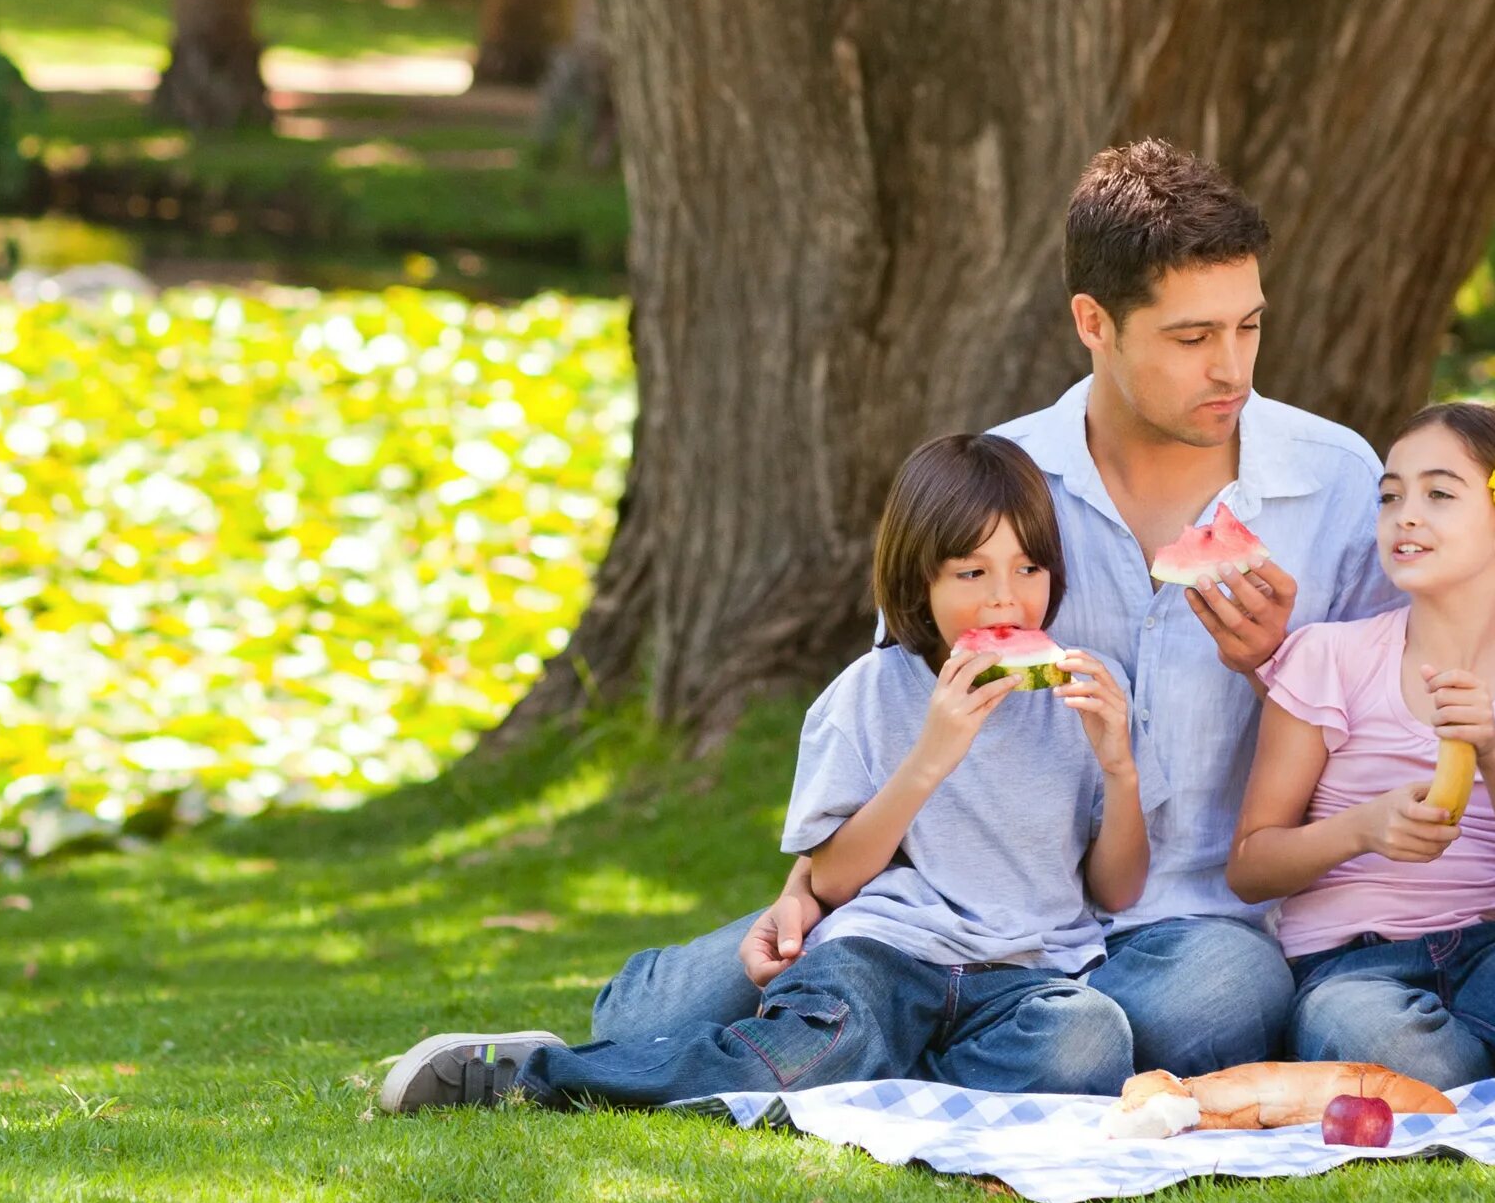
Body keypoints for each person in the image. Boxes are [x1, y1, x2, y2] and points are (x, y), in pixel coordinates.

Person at [575, 140, 1399, 1076]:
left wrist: (1278, 662)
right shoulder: (1001, 479)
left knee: (1213, 1007)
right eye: (1191, 337)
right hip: (968, 905)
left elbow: (1382, 742)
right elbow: (907, 696)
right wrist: (809, 885)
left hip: (1195, 921)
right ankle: (859, 1012)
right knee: (660, 1004)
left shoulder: (1335, 479)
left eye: (1248, 326)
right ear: (1095, 321)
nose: (1232, 369)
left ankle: (896, 1031)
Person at [377, 434, 1143, 1112]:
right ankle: (537, 1073)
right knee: (817, 1045)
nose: (1006, 595)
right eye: (971, 571)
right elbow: (834, 883)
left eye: (1029, 565)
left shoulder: (1083, 692)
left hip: (1023, 980)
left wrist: (1119, 767)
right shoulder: (869, 694)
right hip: (886, 957)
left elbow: (1115, 891)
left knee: (1091, 1042)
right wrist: (932, 755)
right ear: (920, 585)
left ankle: (869, 1074)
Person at [1227, 404, 1495, 1091]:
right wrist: (1362, 827)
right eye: (1391, 495)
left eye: (1439, 494)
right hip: (1347, 963)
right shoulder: (1331, 658)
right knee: (1395, 1052)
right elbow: (1250, 866)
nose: (1405, 514)